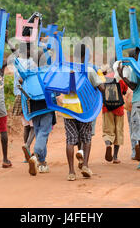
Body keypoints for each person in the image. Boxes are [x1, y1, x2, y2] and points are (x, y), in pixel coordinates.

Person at [60, 44, 105, 181]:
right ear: (86, 55)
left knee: (70, 140)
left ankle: (71, 172)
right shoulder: (89, 69)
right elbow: (101, 87)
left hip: (68, 109)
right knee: (86, 138)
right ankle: (85, 165)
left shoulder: (66, 69)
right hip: (85, 110)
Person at [12, 43, 37, 162]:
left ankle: (25, 155)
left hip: (18, 95)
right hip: (28, 96)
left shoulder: (16, 61)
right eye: (30, 49)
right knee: (34, 126)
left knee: (26, 125)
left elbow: (14, 51)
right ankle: (27, 145)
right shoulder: (31, 63)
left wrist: (7, 40)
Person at [101, 63, 128, 164]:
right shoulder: (121, 78)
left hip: (107, 108)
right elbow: (124, 91)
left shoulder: (105, 78)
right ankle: (115, 157)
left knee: (108, 130)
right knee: (118, 131)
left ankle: (108, 145)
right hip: (119, 108)